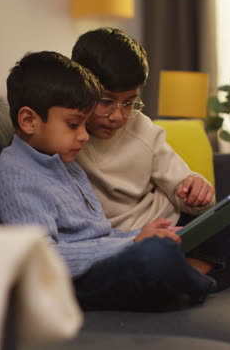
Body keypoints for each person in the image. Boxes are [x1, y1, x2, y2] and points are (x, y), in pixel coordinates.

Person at [0, 50, 226, 312]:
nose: (84, 136)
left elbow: (102, 232)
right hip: (74, 280)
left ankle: (179, 286)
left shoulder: (65, 164)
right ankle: (196, 284)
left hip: (107, 260)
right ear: (29, 121)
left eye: (85, 125)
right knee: (156, 257)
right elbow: (41, 258)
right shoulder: (16, 173)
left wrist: (142, 234)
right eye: (74, 125)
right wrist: (132, 243)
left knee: (212, 227)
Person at [71, 27, 216, 232]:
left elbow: (181, 186)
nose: (117, 116)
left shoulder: (142, 130)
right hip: (128, 242)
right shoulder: (64, 139)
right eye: (106, 101)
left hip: (171, 222)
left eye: (129, 102)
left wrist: (196, 192)